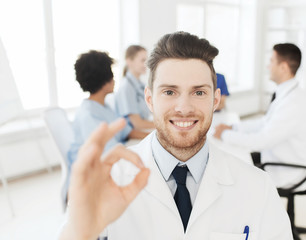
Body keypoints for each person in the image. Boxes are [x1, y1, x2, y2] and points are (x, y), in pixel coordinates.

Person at [60, 32, 292, 240]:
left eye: (199, 92)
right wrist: (82, 232)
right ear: (150, 99)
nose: (184, 107)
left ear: (215, 100)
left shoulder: (258, 188)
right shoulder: (110, 180)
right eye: (169, 92)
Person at [213, 43, 306, 190]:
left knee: (233, 174)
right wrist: (234, 127)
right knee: (234, 159)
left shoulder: (293, 103)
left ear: (283, 67)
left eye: (271, 61)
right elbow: (265, 122)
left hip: (289, 170)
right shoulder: (286, 94)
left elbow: (261, 141)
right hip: (277, 156)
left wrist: (225, 134)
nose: (268, 66)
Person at [67, 50, 148, 190]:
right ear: (105, 82)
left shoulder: (103, 107)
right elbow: (111, 153)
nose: (115, 80)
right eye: (112, 75)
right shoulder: (89, 115)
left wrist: (154, 137)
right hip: (93, 178)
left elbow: (126, 132)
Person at [114, 45, 155, 129]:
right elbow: (137, 124)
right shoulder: (126, 87)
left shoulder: (141, 85)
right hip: (132, 136)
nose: (146, 64)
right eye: (143, 60)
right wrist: (161, 125)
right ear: (129, 61)